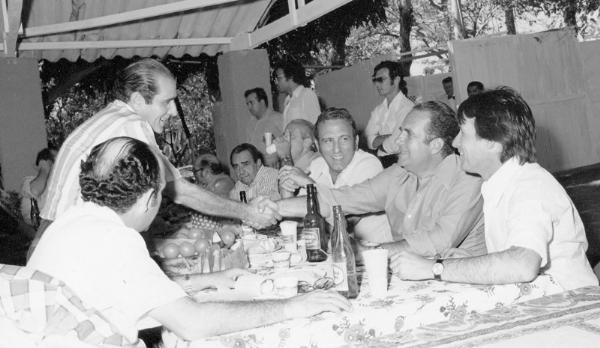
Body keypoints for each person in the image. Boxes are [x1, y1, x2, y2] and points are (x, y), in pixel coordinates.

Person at [28, 137, 351, 344]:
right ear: (149, 200)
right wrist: (292, 307)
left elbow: (133, 290)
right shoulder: (116, 239)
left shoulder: (74, 221)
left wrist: (208, 280)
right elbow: (192, 323)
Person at [31, 59, 279, 256]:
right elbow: (179, 190)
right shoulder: (132, 125)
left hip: (51, 244)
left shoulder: (109, 120)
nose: (172, 111)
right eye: (167, 102)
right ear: (138, 100)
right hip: (73, 250)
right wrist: (246, 212)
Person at [391, 88, 597, 291]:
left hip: (569, 305)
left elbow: (522, 265)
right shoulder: (500, 184)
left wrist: (434, 268)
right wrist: (465, 262)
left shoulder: (530, 187)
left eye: (463, 134)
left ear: (493, 144)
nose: (455, 142)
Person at [277, 101, 486, 257]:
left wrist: (372, 252)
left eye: (408, 134)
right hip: (409, 278)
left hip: (461, 288)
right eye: (400, 132)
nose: (397, 140)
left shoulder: (468, 179)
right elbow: (340, 199)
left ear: (436, 145)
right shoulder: (398, 174)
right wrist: (272, 207)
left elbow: (439, 240)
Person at [279, 108, 392, 243]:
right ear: (317, 144)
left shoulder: (369, 165)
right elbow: (298, 220)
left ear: (355, 142)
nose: (336, 149)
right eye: (328, 141)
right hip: (333, 253)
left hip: (372, 256)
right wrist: (287, 188)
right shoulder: (317, 165)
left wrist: (309, 185)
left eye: (344, 139)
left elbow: (346, 221)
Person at [365, 61, 414, 166]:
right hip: (382, 162)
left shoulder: (407, 107)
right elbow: (369, 140)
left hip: (402, 163)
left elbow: (397, 143)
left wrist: (379, 143)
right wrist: (391, 136)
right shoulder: (378, 110)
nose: (377, 84)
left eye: (381, 79)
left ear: (396, 80)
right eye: (375, 80)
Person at [273, 61, 321, 128]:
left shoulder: (306, 94)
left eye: (279, 78)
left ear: (291, 77)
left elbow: (317, 125)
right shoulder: (287, 100)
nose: (276, 82)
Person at [20, 147, 57, 231]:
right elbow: (35, 191)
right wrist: (44, 168)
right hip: (41, 232)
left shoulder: (59, 184)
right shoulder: (28, 181)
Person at [244, 87, 283, 167]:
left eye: (251, 103)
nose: (249, 107)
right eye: (247, 104)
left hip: (273, 166)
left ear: (262, 102)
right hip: (256, 167)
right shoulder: (250, 124)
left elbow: (288, 141)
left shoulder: (277, 118)